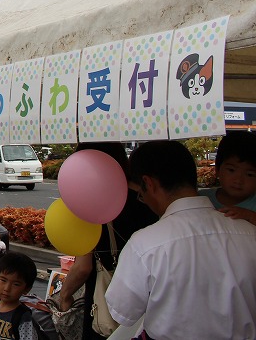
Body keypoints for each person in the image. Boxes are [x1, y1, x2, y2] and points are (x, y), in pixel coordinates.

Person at [105, 139, 256, 340]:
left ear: (149, 184)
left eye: (141, 194)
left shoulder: (144, 244)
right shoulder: (250, 233)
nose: (144, 200)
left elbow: (123, 310)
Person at [57, 142, 156, 340]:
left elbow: (83, 267)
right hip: (148, 300)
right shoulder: (148, 198)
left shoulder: (94, 202)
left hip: (107, 303)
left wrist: (64, 295)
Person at [199, 131, 256, 226]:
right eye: (231, 170)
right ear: (217, 169)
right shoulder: (202, 198)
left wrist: (251, 216)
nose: (238, 180)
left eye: (249, 174)